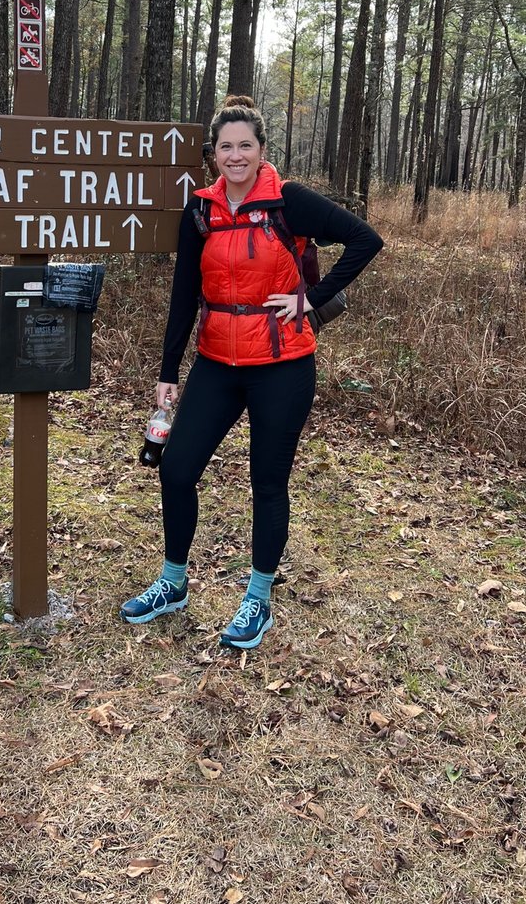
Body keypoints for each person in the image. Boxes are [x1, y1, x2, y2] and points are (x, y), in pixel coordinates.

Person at [120, 95, 383, 650]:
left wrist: (311, 299)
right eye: (225, 147)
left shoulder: (289, 201)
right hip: (216, 362)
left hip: (282, 365)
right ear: (212, 154)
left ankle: (258, 597)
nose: (234, 156)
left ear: (262, 150)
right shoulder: (200, 210)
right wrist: (169, 369)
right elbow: (183, 294)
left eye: (245, 146)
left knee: (267, 482)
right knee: (176, 469)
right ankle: (173, 583)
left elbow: (366, 240)